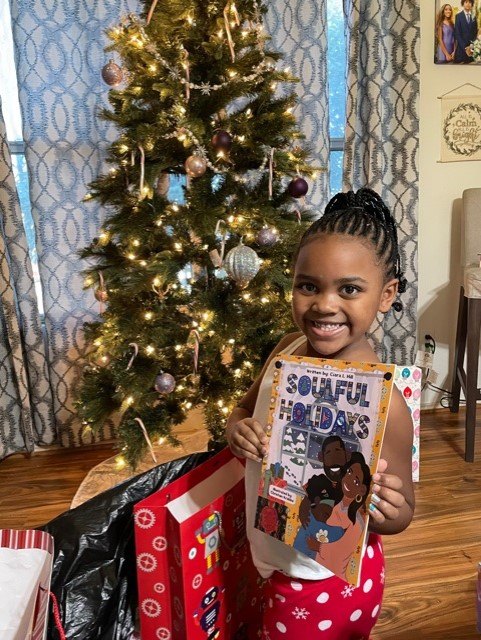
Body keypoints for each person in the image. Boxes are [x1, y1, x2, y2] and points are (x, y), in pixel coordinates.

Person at [226, 187, 415, 639]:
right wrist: (239, 430)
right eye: (308, 286)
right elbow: (241, 410)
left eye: (349, 289)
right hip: (272, 555)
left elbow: (403, 511)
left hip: (323, 581)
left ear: (386, 294)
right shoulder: (286, 351)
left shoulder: (387, 404)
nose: (324, 304)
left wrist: (387, 508)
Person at [306, 452, 371, 584]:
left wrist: (318, 546)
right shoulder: (338, 505)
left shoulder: (356, 522)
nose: (348, 478)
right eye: (349, 472)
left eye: (355, 480)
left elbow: (343, 550)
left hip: (334, 578)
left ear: (362, 490)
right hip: (315, 564)